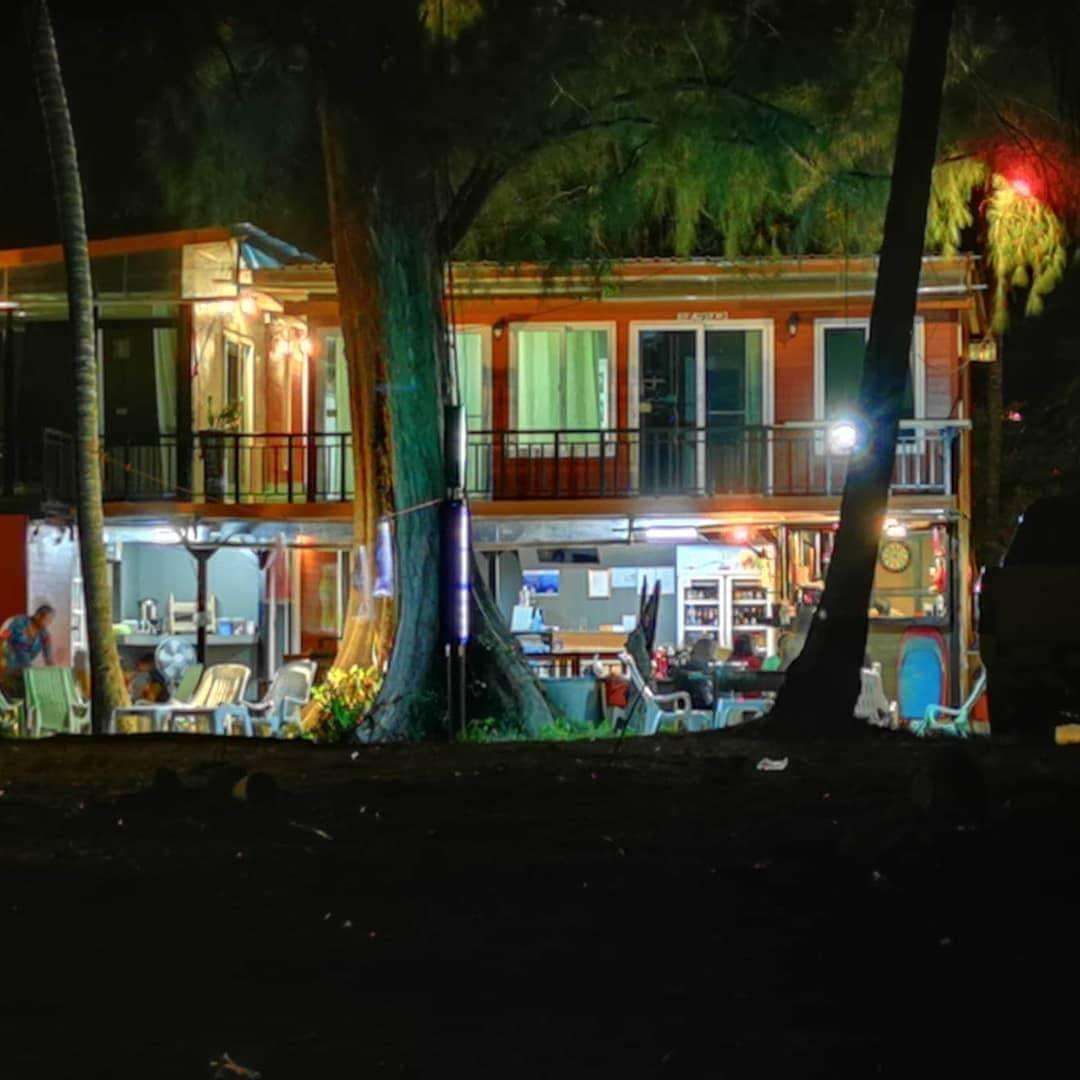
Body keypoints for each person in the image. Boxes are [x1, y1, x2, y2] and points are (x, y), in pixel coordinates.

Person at [0, 604, 55, 697]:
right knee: (10, 699)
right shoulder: (18, 622)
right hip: (7, 669)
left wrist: (54, 675)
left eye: (50, 621)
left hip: (24, 672)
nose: (48, 623)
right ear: (38, 616)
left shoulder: (44, 635)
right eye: (47, 620)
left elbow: (49, 658)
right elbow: (4, 640)